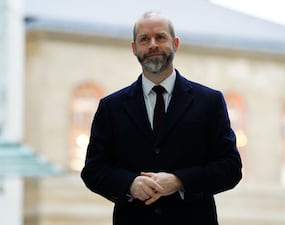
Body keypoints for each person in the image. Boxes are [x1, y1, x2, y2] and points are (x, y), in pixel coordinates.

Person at [81, 11, 242, 225]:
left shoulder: (209, 101)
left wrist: (179, 181)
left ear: (175, 43)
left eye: (161, 37)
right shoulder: (111, 107)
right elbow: (93, 170)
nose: (153, 45)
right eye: (144, 39)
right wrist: (130, 184)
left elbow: (230, 168)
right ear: (134, 48)